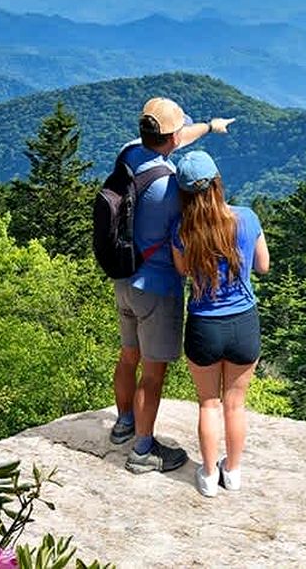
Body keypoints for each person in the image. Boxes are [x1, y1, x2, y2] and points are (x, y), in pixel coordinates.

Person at [111, 97, 234, 475]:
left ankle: (124, 423)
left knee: (128, 355)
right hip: (158, 286)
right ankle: (142, 451)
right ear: (172, 136)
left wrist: (210, 127)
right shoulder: (171, 187)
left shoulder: (130, 153)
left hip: (125, 277)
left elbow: (176, 139)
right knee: (153, 374)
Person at [169, 151, 269, 497]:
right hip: (243, 323)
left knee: (208, 403)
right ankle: (234, 471)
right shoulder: (247, 218)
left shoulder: (182, 229)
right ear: (217, 183)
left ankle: (209, 476)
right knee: (235, 404)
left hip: (203, 326)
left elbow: (182, 270)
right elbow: (263, 265)